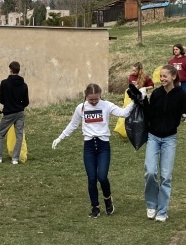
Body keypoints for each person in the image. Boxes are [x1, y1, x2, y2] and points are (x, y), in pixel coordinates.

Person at [128, 63, 186, 223]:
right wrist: (143, 100)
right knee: (150, 172)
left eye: (165, 76)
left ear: (173, 77)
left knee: (166, 176)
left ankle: (162, 211)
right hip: (153, 137)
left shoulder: (181, 95)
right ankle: (151, 205)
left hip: (169, 139)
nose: (162, 78)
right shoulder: (157, 93)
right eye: (161, 76)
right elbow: (149, 115)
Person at [52, 84, 133, 218]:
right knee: (92, 179)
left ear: (100, 95)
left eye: (96, 99)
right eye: (91, 99)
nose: (94, 102)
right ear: (86, 96)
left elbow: (123, 113)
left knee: (102, 177)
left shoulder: (106, 105)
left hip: (103, 146)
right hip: (89, 146)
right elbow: (73, 124)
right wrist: (60, 137)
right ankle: (95, 207)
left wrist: (136, 100)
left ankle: (108, 199)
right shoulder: (81, 108)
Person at [0, 61, 29, 165]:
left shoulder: (4, 83)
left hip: (9, 113)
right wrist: (19, 106)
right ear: (18, 70)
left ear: (10, 70)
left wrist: (9, 104)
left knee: (0, 134)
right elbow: (26, 102)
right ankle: (15, 159)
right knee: (19, 135)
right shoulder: (24, 85)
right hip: (20, 112)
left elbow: (1, 99)